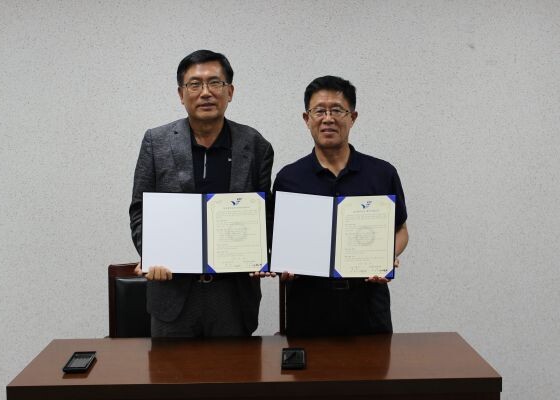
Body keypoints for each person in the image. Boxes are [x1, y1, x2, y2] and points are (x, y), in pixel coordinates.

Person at [129, 50, 274, 337]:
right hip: (172, 294)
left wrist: (263, 251)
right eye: (195, 84)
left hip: (233, 296)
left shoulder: (256, 145)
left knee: (234, 367)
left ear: (230, 91)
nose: (205, 92)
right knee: (169, 368)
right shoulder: (156, 142)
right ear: (181, 94)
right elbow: (139, 210)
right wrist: (152, 253)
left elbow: (264, 212)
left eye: (215, 83)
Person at [273, 75, 408, 336]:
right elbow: (276, 238)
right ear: (306, 119)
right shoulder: (289, 178)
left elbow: (401, 230)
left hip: (368, 304)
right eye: (319, 111)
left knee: (375, 363)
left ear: (352, 117)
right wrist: (280, 263)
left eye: (337, 110)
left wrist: (386, 256)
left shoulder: (382, 173)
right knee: (309, 364)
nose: (328, 118)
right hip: (308, 304)